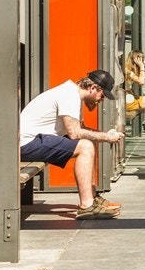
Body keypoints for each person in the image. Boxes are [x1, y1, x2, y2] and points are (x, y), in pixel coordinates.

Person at [18, 69, 123, 219]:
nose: (101, 100)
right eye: (102, 95)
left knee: (89, 142)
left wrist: (105, 135)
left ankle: (92, 196)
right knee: (85, 146)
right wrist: (106, 137)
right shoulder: (69, 95)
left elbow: (80, 129)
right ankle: (87, 206)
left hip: (34, 141)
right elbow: (74, 133)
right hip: (28, 144)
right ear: (93, 88)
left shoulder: (72, 93)